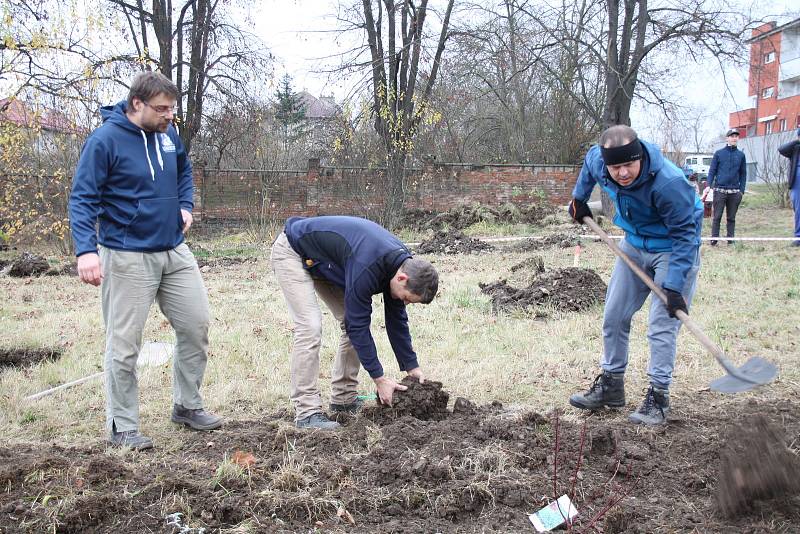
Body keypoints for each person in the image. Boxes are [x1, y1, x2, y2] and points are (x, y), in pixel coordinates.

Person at [69, 72, 222, 450]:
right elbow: (83, 197)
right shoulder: (105, 141)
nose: (169, 116)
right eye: (162, 109)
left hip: (173, 249)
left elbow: (183, 171)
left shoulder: (168, 135)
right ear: (137, 103)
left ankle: (187, 406)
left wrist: (186, 205)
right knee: (124, 344)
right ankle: (123, 427)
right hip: (126, 253)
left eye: (172, 109)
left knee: (196, 326)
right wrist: (86, 250)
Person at [567, 125, 703, 426]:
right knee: (614, 315)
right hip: (634, 244)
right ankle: (611, 386)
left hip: (672, 248)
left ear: (639, 156)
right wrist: (579, 199)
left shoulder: (668, 183)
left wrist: (674, 286)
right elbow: (590, 165)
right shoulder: (599, 162)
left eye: (628, 165)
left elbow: (685, 237)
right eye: (616, 167)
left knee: (661, 325)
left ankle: (658, 397)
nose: (623, 173)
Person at [271, 215, 439, 430]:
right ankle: (307, 412)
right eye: (406, 298)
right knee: (310, 327)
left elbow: (396, 319)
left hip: (329, 262)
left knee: (352, 328)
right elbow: (357, 324)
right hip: (294, 251)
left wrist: (411, 367)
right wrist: (379, 378)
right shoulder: (367, 265)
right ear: (402, 279)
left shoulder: (402, 266)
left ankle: (343, 400)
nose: (404, 303)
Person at [707, 129, 747, 245]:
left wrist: (741, 191)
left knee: (731, 218)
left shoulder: (741, 155)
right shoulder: (719, 153)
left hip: (735, 192)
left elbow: (743, 174)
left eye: (736, 136)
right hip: (720, 190)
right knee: (717, 216)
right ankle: (714, 240)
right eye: (732, 136)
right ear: (727, 138)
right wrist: (708, 185)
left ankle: (730, 240)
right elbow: (712, 171)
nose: (734, 138)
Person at [778, 127, 800, 247]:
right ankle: (798, 237)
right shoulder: (795, 148)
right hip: (797, 182)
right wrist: (797, 141)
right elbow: (781, 149)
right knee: (798, 210)